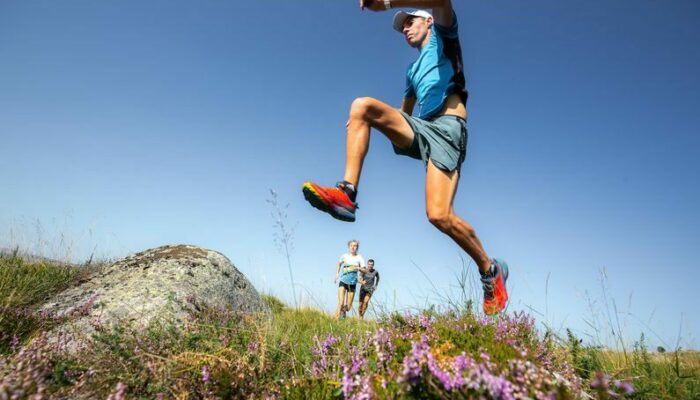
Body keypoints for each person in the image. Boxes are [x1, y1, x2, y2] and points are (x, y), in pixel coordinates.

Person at [302, 0, 509, 315]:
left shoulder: (444, 36)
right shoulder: (412, 71)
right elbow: (404, 115)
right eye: (402, 27)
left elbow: (441, 1)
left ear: (427, 22)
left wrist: (385, 3)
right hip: (422, 129)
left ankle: (489, 270)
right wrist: (367, 119)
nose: (406, 29)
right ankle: (346, 194)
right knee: (361, 106)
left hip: (448, 128)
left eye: (411, 21)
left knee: (439, 215)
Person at [335, 239, 365, 319]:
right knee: (341, 303)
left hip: (352, 283)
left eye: (355, 246)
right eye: (351, 245)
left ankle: (343, 311)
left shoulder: (359, 258)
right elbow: (339, 264)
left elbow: (364, 270)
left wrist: (357, 268)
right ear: (349, 247)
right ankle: (336, 321)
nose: (353, 247)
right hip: (343, 281)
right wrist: (337, 274)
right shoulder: (344, 256)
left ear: (357, 248)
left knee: (348, 307)